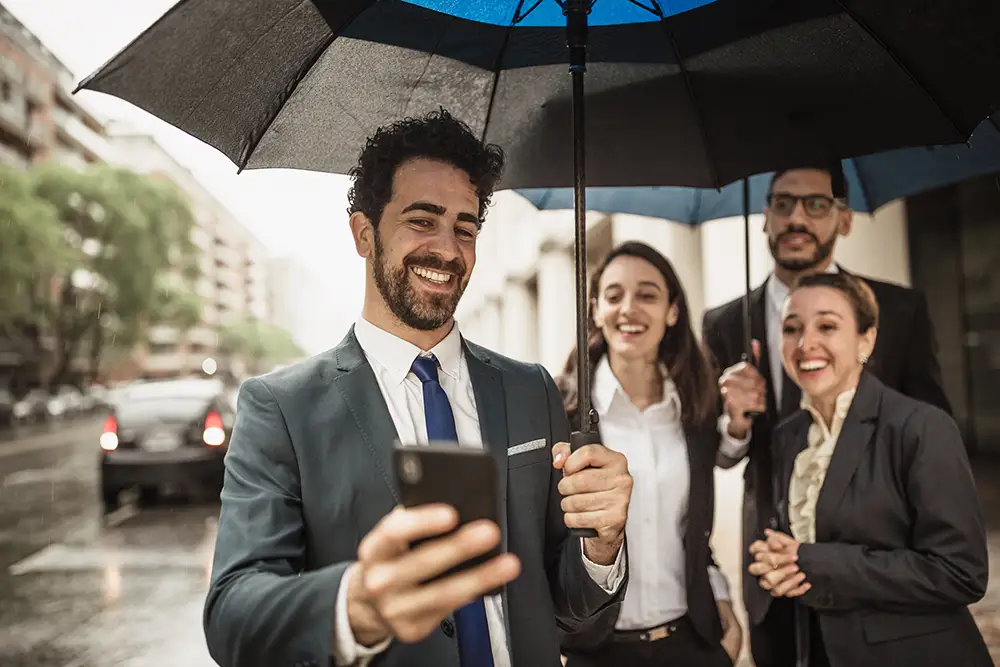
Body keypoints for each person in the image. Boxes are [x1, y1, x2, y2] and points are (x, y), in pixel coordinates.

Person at [203, 109, 633, 667]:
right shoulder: (280, 407)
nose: (449, 251)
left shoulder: (532, 390)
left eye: (465, 227)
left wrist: (601, 545)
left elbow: (569, 610)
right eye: (421, 220)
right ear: (364, 234)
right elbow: (232, 615)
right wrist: (353, 604)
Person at [701, 163, 952, 667]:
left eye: (816, 205)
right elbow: (720, 454)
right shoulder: (725, 322)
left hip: (874, 565)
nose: (798, 218)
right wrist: (735, 422)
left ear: (844, 219)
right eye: (783, 204)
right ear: (765, 218)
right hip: (770, 567)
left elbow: (932, 435)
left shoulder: (896, 311)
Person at [747, 271, 991, 667]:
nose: (806, 343)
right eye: (792, 328)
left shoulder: (919, 427)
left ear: (866, 339)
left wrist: (814, 562)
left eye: (827, 325)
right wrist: (774, 559)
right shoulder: (787, 435)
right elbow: (799, 541)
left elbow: (960, 571)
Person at [555, 242, 758, 667]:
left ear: (672, 311)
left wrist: (723, 611)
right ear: (595, 310)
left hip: (692, 643)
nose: (629, 308)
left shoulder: (696, 409)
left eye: (647, 295)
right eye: (614, 296)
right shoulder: (560, 410)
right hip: (595, 651)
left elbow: (693, 526)